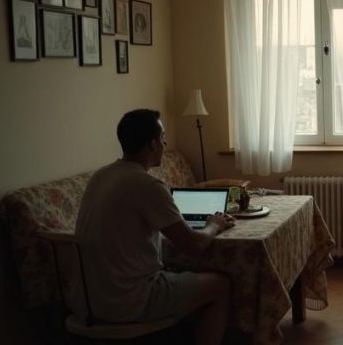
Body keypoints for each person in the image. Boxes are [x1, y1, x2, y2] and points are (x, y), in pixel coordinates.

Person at [75, 109, 235, 345]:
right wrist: (214, 224)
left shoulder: (101, 176)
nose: (165, 144)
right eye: (163, 138)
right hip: (129, 300)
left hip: (89, 299)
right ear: (152, 144)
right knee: (220, 285)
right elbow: (194, 245)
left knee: (183, 277)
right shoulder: (147, 185)